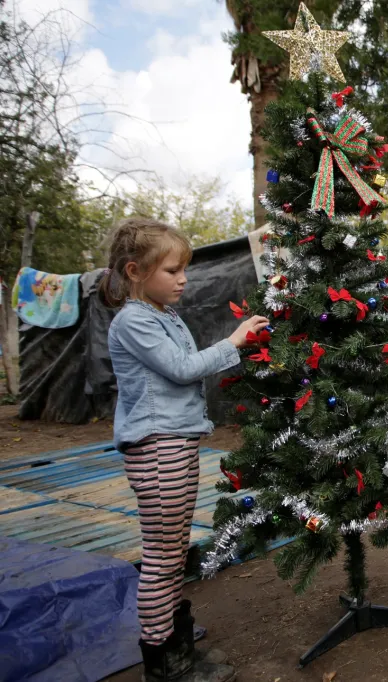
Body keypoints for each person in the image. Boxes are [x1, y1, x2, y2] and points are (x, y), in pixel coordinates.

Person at [100, 217, 268, 682]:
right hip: (157, 449)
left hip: (176, 443)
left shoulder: (163, 315)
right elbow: (181, 368)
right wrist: (234, 341)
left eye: (183, 269)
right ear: (134, 271)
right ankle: (163, 663)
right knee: (160, 555)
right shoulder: (134, 319)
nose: (183, 278)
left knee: (172, 549)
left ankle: (176, 646)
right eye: (172, 270)